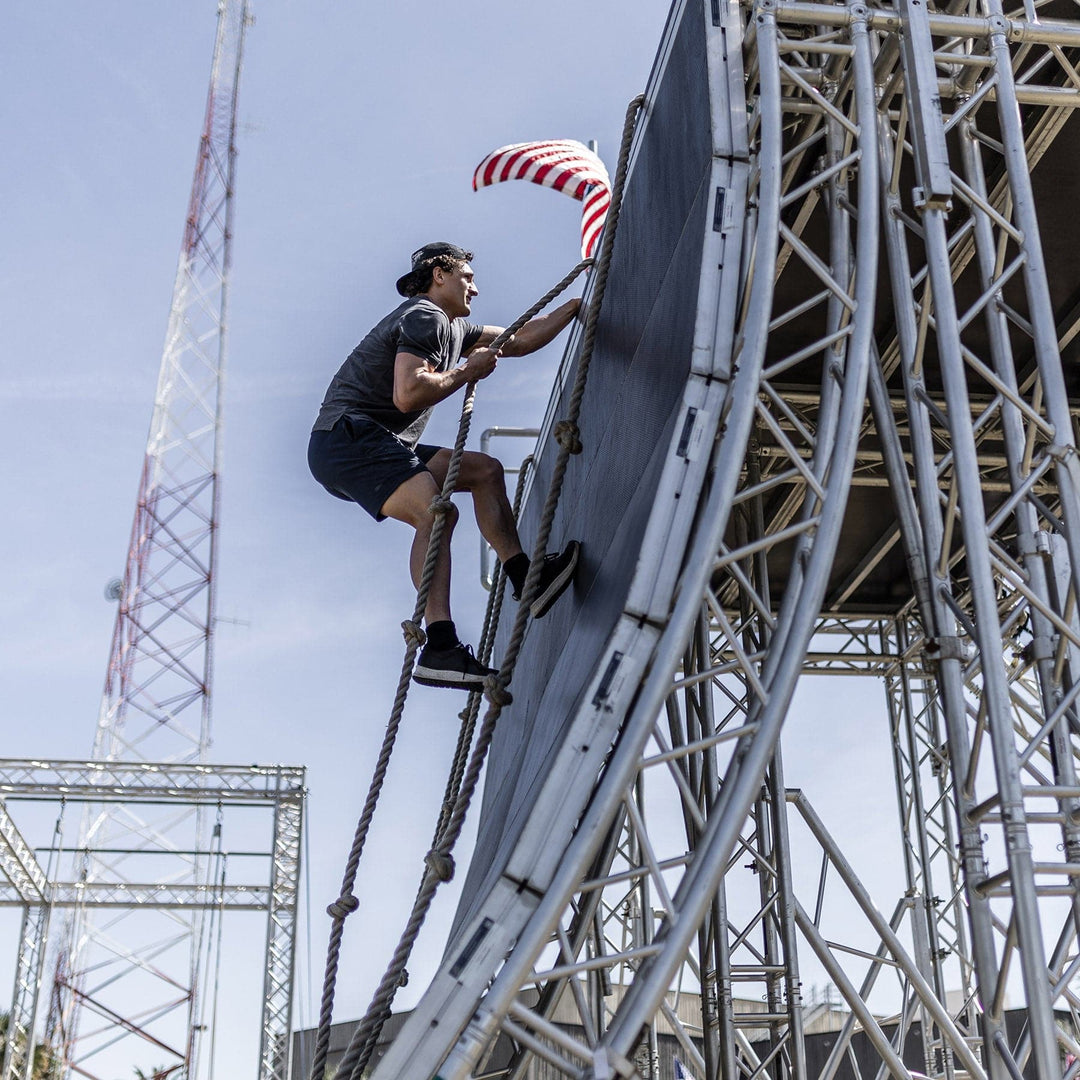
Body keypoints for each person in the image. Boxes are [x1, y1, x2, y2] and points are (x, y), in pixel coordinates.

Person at [308, 242, 582, 690]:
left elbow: (522, 338)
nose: (475, 286)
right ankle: (440, 645)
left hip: (375, 441)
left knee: (484, 471)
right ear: (440, 274)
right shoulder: (424, 316)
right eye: (467, 277)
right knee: (437, 513)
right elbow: (408, 394)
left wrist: (576, 305)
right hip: (347, 438)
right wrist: (465, 373)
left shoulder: (455, 329)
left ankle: (525, 579)